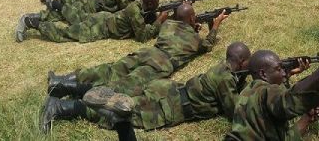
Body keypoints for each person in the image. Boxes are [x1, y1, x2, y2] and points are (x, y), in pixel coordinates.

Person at [39, 42, 251, 134]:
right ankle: (60, 107)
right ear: (241, 62)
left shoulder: (224, 68)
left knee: (114, 93)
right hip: (172, 105)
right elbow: (235, 112)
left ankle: (62, 86)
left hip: (168, 90)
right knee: (121, 113)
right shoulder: (226, 79)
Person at [46, 3, 228, 98]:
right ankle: (69, 91)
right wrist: (215, 26)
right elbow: (207, 45)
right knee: (123, 87)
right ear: (191, 18)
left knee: (110, 69)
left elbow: (180, 26)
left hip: (146, 53)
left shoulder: (168, 24)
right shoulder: (194, 39)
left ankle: (62, 79)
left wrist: (190, 24)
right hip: (159, 64)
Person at [225, 27, 319, 140]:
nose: (284, 72)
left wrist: (307, 118)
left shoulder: (247, 93)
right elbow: (288, 100)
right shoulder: (265, 91)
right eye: (279, 69)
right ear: (263, 74)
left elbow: (284, 138)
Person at [15, 0, 166, 43]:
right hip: (100, 28)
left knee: (75, 16)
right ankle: (31, 22)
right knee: (66, 33)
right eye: (157, 4)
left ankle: (53, 6)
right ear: (150, 5)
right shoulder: (135, 11)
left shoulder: (139, 3)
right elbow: (142, 37)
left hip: (103, 17)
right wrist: (159, 20)